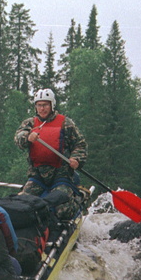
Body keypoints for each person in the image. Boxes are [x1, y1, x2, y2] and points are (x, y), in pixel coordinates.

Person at [14, 88, 88, 221]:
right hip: (37, 175)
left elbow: (80, 144)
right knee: (21, 205)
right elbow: (18, 138)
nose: (42, 109)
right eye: (39, 105)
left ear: (52, 105)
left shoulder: (66, 123)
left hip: (61, 174)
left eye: (45, 105)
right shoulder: (30, 123)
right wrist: (27, 137)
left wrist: (76, 158)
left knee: (62, 210)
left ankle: (79, 198)